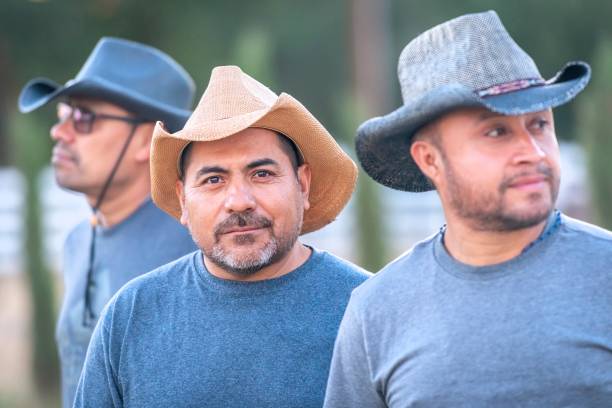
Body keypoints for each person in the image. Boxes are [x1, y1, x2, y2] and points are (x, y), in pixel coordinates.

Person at [324, 10, 612, 407]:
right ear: (430, 160)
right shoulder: (377, 310)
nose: (531, 152)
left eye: (540, 125)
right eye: (496, 131)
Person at [73, 65, 370, 407]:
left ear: (302, 185)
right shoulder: (130, 316)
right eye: (214, 179)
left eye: (261, 173)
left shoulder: (367, 310)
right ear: (184, 200)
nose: (239, 201)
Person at [18, 37, 198, 408]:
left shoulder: (194, 247)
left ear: (147, 141)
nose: (59, 132)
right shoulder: (77, 242)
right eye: (63, 116)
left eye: (83, 118)